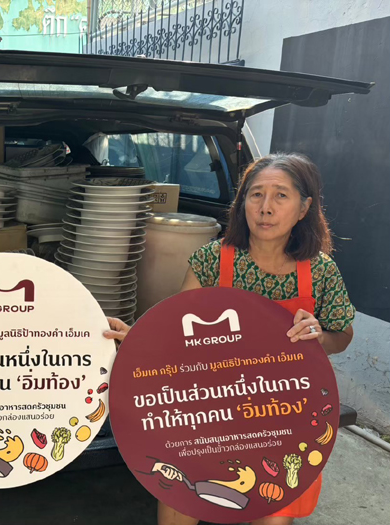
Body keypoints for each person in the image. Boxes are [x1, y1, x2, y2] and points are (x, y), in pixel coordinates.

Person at [106, 153, 356, 525]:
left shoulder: (320, 271)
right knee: (181, 496)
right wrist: (136, 339)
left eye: (281, 196)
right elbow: (177, 332)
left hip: (283, 416)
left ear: (304, 208)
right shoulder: (212, 259)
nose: (265, 208)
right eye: (256, 195)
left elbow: (342, 335)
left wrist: (320, 337)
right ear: (242, 205)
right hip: (209, 406)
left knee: (272, 507)